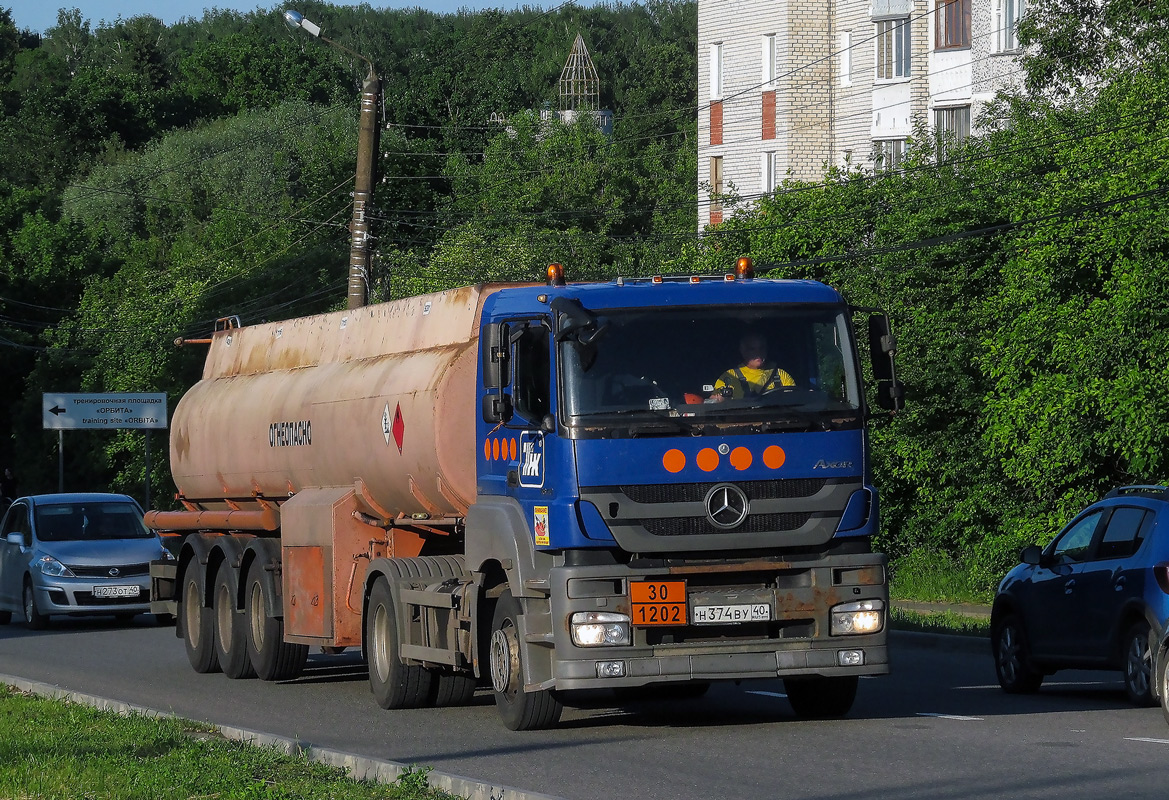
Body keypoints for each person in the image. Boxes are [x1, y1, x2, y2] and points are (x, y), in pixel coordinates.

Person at [709, 333, 794, 401]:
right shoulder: (729, 377)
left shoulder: (781, 375)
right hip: (738, 421)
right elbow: (713, 402)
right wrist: (719, 400)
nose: (758, 352)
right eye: (752, 349)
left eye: (761, 348)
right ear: (743, 351)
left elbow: (794, 400)